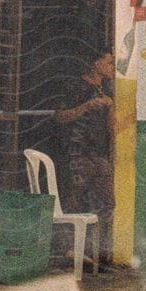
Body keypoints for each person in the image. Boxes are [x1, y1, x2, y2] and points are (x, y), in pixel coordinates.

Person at [52, 50, 115, 270]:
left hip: (99, 155)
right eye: (109, 62)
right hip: (76, 154)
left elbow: (111, 129)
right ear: (94, 63)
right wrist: (87, 106)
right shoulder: (74, 87)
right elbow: (60, 117)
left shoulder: (107, 88)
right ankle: (71, 252)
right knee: (73, 203)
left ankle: (99, 256)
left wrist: (110, 107)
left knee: (106, 205)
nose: (112, 66)